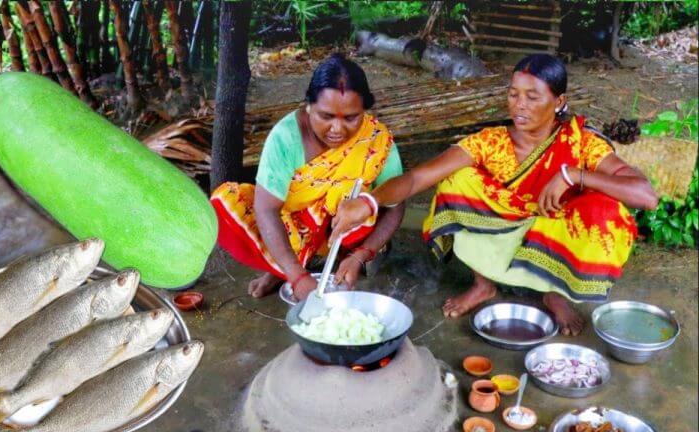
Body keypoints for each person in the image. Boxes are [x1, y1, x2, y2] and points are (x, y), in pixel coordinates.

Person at [331, 54, 657, 336]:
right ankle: (483, 284)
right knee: (457, 181)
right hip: (503, 227)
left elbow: (645, 196)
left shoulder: (581, 144)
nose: (520, 105)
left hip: (554, 231)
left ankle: (555, 294)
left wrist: (573, 175)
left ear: (558, 102)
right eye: (514, 95)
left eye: (533, 97)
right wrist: (368, 202)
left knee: (606, 210)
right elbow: (419, 176)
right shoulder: (491, 142)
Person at [211, 53, 405, 301]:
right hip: (290, 220)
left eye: (351, 118)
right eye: (326, 116)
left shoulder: (376, 138)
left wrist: (362, 254)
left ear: (364, 110)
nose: (337, 129)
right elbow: (266, 209)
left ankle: (330, 259)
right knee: (227, 204)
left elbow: (395, 204)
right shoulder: (286, 138)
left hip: (341, 225)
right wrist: (297, 276)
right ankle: (283, 268)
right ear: (309, 106)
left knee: (364, 207)